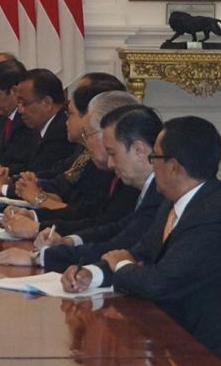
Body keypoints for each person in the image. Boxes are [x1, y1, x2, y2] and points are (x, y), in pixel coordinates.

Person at [62, 116, 221, 357]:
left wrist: (122, 265)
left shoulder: (212, 213)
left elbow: (158, 282)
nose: (151, 164)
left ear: (174, 166)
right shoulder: (170, 203)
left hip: (200, 347)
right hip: (165, 334)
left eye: (154, 157)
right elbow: (139, 252)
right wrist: (90, 274)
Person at [0, 105, 163, 270]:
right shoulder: (147, 187)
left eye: (113, 153)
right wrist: (68, 242)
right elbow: (113, 228)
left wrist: (38, 257)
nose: (111, 164)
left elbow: (120, 244)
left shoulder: (160, 193)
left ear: (139, 150)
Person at [0, 90, 140, 239]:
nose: (86, 143)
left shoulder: (129, 178)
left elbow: (106, 228)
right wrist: (33, 216)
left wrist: (38, 226)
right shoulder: (107, 167)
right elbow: (85, 212)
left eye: (88, 134)